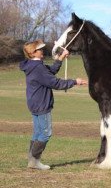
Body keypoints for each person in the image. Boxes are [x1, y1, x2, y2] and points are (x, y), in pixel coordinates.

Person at [19, 39, 87, 170]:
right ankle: (35, 160)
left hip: (35, 103)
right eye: (40, 49)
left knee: (38, 133)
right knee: (45, 133)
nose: (42, 51)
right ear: (33, 53)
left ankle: (32, 160)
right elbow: (55, 83)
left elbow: (50, 72)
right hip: (41, 104)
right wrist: (75, 82)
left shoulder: (34, 65)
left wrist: (61, 58)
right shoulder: (38, 67)